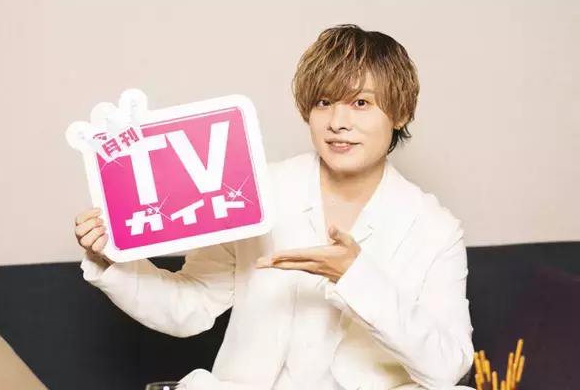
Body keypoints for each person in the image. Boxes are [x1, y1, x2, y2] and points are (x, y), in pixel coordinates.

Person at [75, 24, 475, 390]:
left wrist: (355, 277)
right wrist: (113, 260)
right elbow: (190, 305)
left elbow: (445, 366)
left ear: (400, 113)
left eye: (360, 102)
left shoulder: (435, 229)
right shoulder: (253, 191)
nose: (338, 121)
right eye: (323, 102)